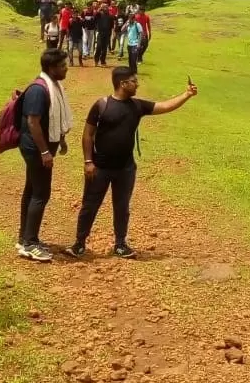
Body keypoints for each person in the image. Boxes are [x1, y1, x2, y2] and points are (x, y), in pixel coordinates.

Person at [64, 67, 197, 260]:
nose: (137, 84)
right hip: (99, 167)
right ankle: (79, 244)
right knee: (90, 205)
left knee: (122, 207)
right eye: (134, 81)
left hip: (125, 168)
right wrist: (88, 161)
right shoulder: (101, 105)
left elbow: (164, 106)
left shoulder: (137, 106)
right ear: (122, 84)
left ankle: (120, 244)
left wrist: (187, 95)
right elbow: (88, 134)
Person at [17, 49, 73, 261]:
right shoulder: (39, 91)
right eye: (62, 66)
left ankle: (25, 238)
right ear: (51, 68)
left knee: (32, 190)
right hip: (35, 149)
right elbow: (33, 122)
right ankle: (30, 243)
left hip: (42, 148)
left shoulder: (54, 86)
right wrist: (44, 152)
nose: (66, 68)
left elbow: (52, 119)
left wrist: (61, 140)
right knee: (41, 193)